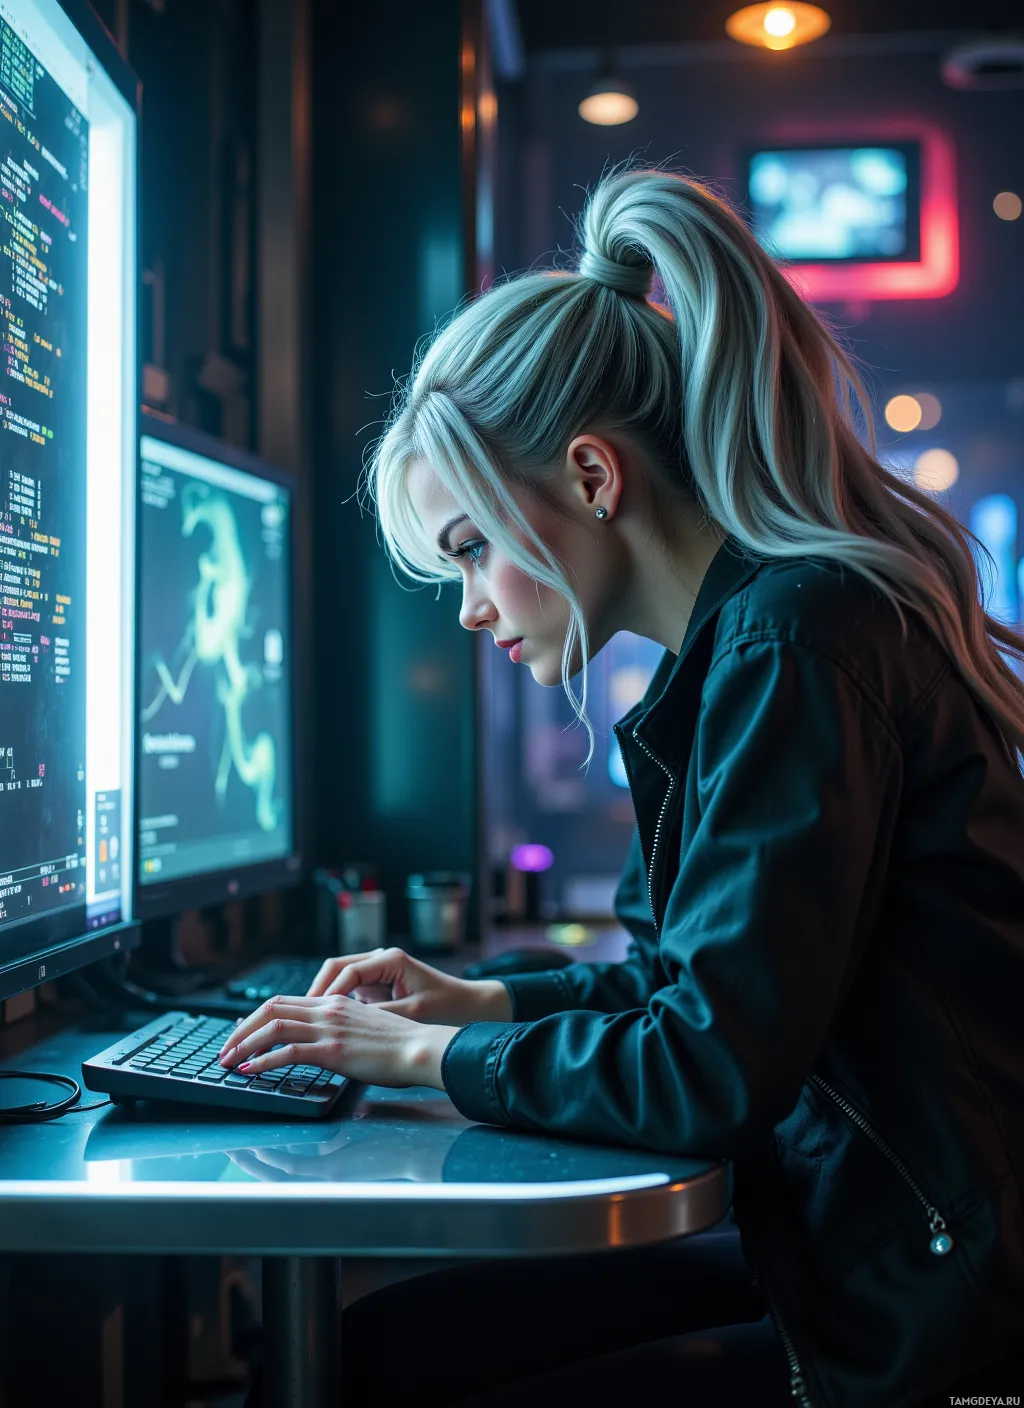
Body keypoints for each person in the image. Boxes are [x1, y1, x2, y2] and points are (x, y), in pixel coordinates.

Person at [227, 166, 1024, 1406]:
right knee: (391, 1350)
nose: (470, 606)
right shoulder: (759, 640)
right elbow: (692, 989)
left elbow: (706, 1072)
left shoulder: (794, 643)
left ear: (594, 478)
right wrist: (483, 1002)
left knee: (388, 1367)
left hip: (938, 1323)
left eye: (472, 549)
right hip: (864, 1255)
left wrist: (423, 1054)